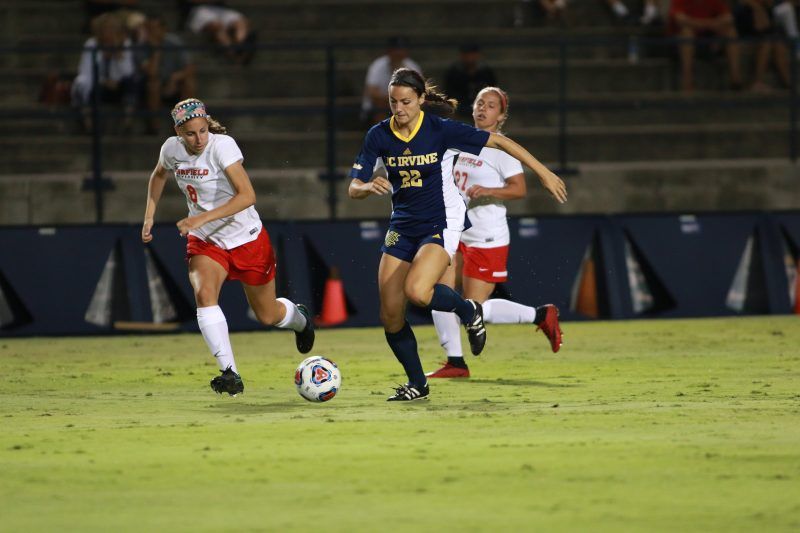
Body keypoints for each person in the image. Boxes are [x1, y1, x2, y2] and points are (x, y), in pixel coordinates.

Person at [348, 69, 567, 401]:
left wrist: (544, 172)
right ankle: (418, 384)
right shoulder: (378, 135)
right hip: (401, 227)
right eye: (393, 102)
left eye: (406, 101)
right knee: (390, 315)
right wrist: (366, 187)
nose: (399, 109)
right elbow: (353, 187)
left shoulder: (439, 129)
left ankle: (468, 311)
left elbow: (500, 141)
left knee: (419, 292)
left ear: (421, 99)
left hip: (439, 223)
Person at [141, 98, 315, 396]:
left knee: (267, 315)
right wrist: (149, 216)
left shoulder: (223, 146)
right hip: (207, 241)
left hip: (246, 238)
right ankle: (229, 372)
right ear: (177, 131)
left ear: (208, 124)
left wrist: (200, 218)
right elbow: (158, 174)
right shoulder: (171, 148)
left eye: (202, 131)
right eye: (190, 134)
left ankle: (300, 319)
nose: (198, 139)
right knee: (204, 293)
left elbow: (247, 196)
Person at [426, 87, 563, 380]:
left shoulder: (502, 149)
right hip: (457, 231)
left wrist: (488, 190)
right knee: (439, 291)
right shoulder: (462, 139)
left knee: (474, 309)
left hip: (487, 236)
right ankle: (455, 362)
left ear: (501, 116)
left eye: (490, 105)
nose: (482, 109)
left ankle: (541, 315)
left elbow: (519, 189)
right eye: (478, 103)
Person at [71, 12, 139, 132]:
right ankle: (89, 125)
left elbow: (128, 71)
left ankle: (127, 122)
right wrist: (103, 79)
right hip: (98, 86)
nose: (109, 33)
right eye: (106, 29)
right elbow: (85, 71)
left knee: (131, 83)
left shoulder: (125, 44)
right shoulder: (91, 44)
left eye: (112, 29)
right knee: (81, 84)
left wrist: (118, 55)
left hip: (118, 86)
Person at [137, 15, 196, 133]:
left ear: (163, 29)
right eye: (150, 29)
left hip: (173, 83)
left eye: (155, 28)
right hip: (149, 87)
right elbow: (151, 73)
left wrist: (174, 78)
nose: (152, 32)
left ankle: (183, 126)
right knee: (154, 84)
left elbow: (190, 68)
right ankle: (154, 127)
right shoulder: (142, 46)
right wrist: (156, 51)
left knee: (189, 83)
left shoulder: (175, 43)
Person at [669, 0, 744, 92]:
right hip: (681, 43)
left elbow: (729, 18)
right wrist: (710, 24)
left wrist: (707, 26)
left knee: (731, 32)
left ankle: (735, 79)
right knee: (687, 33)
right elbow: (680, 20)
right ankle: (687, 81)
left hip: (707, 40)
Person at [361, 37, 422, 124]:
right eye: (396, 50)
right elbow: (373, 94)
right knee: (380, 107)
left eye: (401, 49)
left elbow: (420, 92)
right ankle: (382, 136)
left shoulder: (412, 66)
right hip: (379, 108)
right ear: (389, 51)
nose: (398, 53)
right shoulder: (377, 66)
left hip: (404, 106)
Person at [178, 0, 256, 65]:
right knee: (217, 26)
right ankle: (234, 55)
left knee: (241, 22)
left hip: (220, 9)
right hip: (198, 9)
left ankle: (240, 45)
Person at [443, 43, 498, 121]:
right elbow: (449, 93)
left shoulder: (485, 72)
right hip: (460, 106)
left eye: (472, 54)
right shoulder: (454, 72)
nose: (469, 58)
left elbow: (493, 90)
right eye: (466, 55)